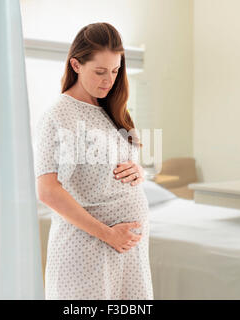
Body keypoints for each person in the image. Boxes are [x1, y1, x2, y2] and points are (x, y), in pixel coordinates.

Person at [34, 22, 153, 300]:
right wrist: (108, 234)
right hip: (86, 251)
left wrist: (138, 171)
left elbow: (109, 166)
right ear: (76, 65)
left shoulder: (111, 109)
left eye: (114, 71)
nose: (108, 80)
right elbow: (47, 190)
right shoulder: (58, 115)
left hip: (129, 252)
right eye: (99, 72)